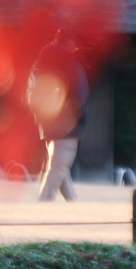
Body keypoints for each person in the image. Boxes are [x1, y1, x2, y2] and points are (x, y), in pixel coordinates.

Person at [27, 42, 89, 201]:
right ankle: (42, 204)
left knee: (58, 166)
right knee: (58, 167)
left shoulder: (40, 70)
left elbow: (31, 98)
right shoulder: (72, 67)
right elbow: (79, 98)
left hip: (48, 125)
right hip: (67, 127)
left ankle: (73, 204)